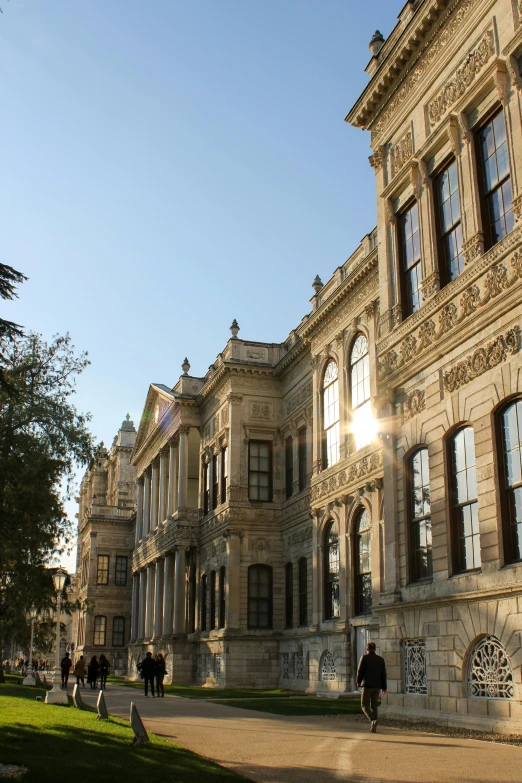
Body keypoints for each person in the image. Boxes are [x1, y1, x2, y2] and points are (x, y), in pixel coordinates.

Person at [356, 641, 387, 733]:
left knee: (364, 705)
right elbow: (383, 674)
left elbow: (360, 671)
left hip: (367, 685)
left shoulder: (364, 658)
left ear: (367, 649)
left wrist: (358, 681)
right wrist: (384, 687)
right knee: (374, 705)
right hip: (377, 686)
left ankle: (373, 719)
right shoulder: (380, 660)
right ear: (375, 649)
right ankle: (374, 725)